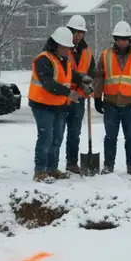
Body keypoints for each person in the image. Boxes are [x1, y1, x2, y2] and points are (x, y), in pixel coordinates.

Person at [28, 26, 92, 181]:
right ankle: (40, 171)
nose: (67, 50)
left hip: (59, 105)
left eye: (68, 48)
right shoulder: (44, 60)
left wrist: (82, 80)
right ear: (55, 45)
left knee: (57, 137)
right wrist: (69, 93)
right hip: (42, 105)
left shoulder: (64, 59)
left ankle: (52, 168)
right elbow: (48, 83)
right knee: (46, 137)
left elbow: (71, 74)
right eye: (64, 47)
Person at [92, 20, 131, 175]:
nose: (122, 42)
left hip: (130, 104)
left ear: (129, 40)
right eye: (119, 39)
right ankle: (108, 165)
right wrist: (97, 97)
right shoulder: (105, 55)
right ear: (115, 39)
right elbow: (99, 78)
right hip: (111, 104)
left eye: (124, 39)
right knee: (110, 137)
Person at [62, 15, 95, 174]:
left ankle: (72, 162)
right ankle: (51, 163)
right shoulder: (61, 48)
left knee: (74, 132)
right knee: (57, 131)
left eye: (81, 32)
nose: (79, 35)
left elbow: (92, 71)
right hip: (63, 95)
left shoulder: (87, 52)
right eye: (76, 32)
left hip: (79, 98)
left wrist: (89, 85)